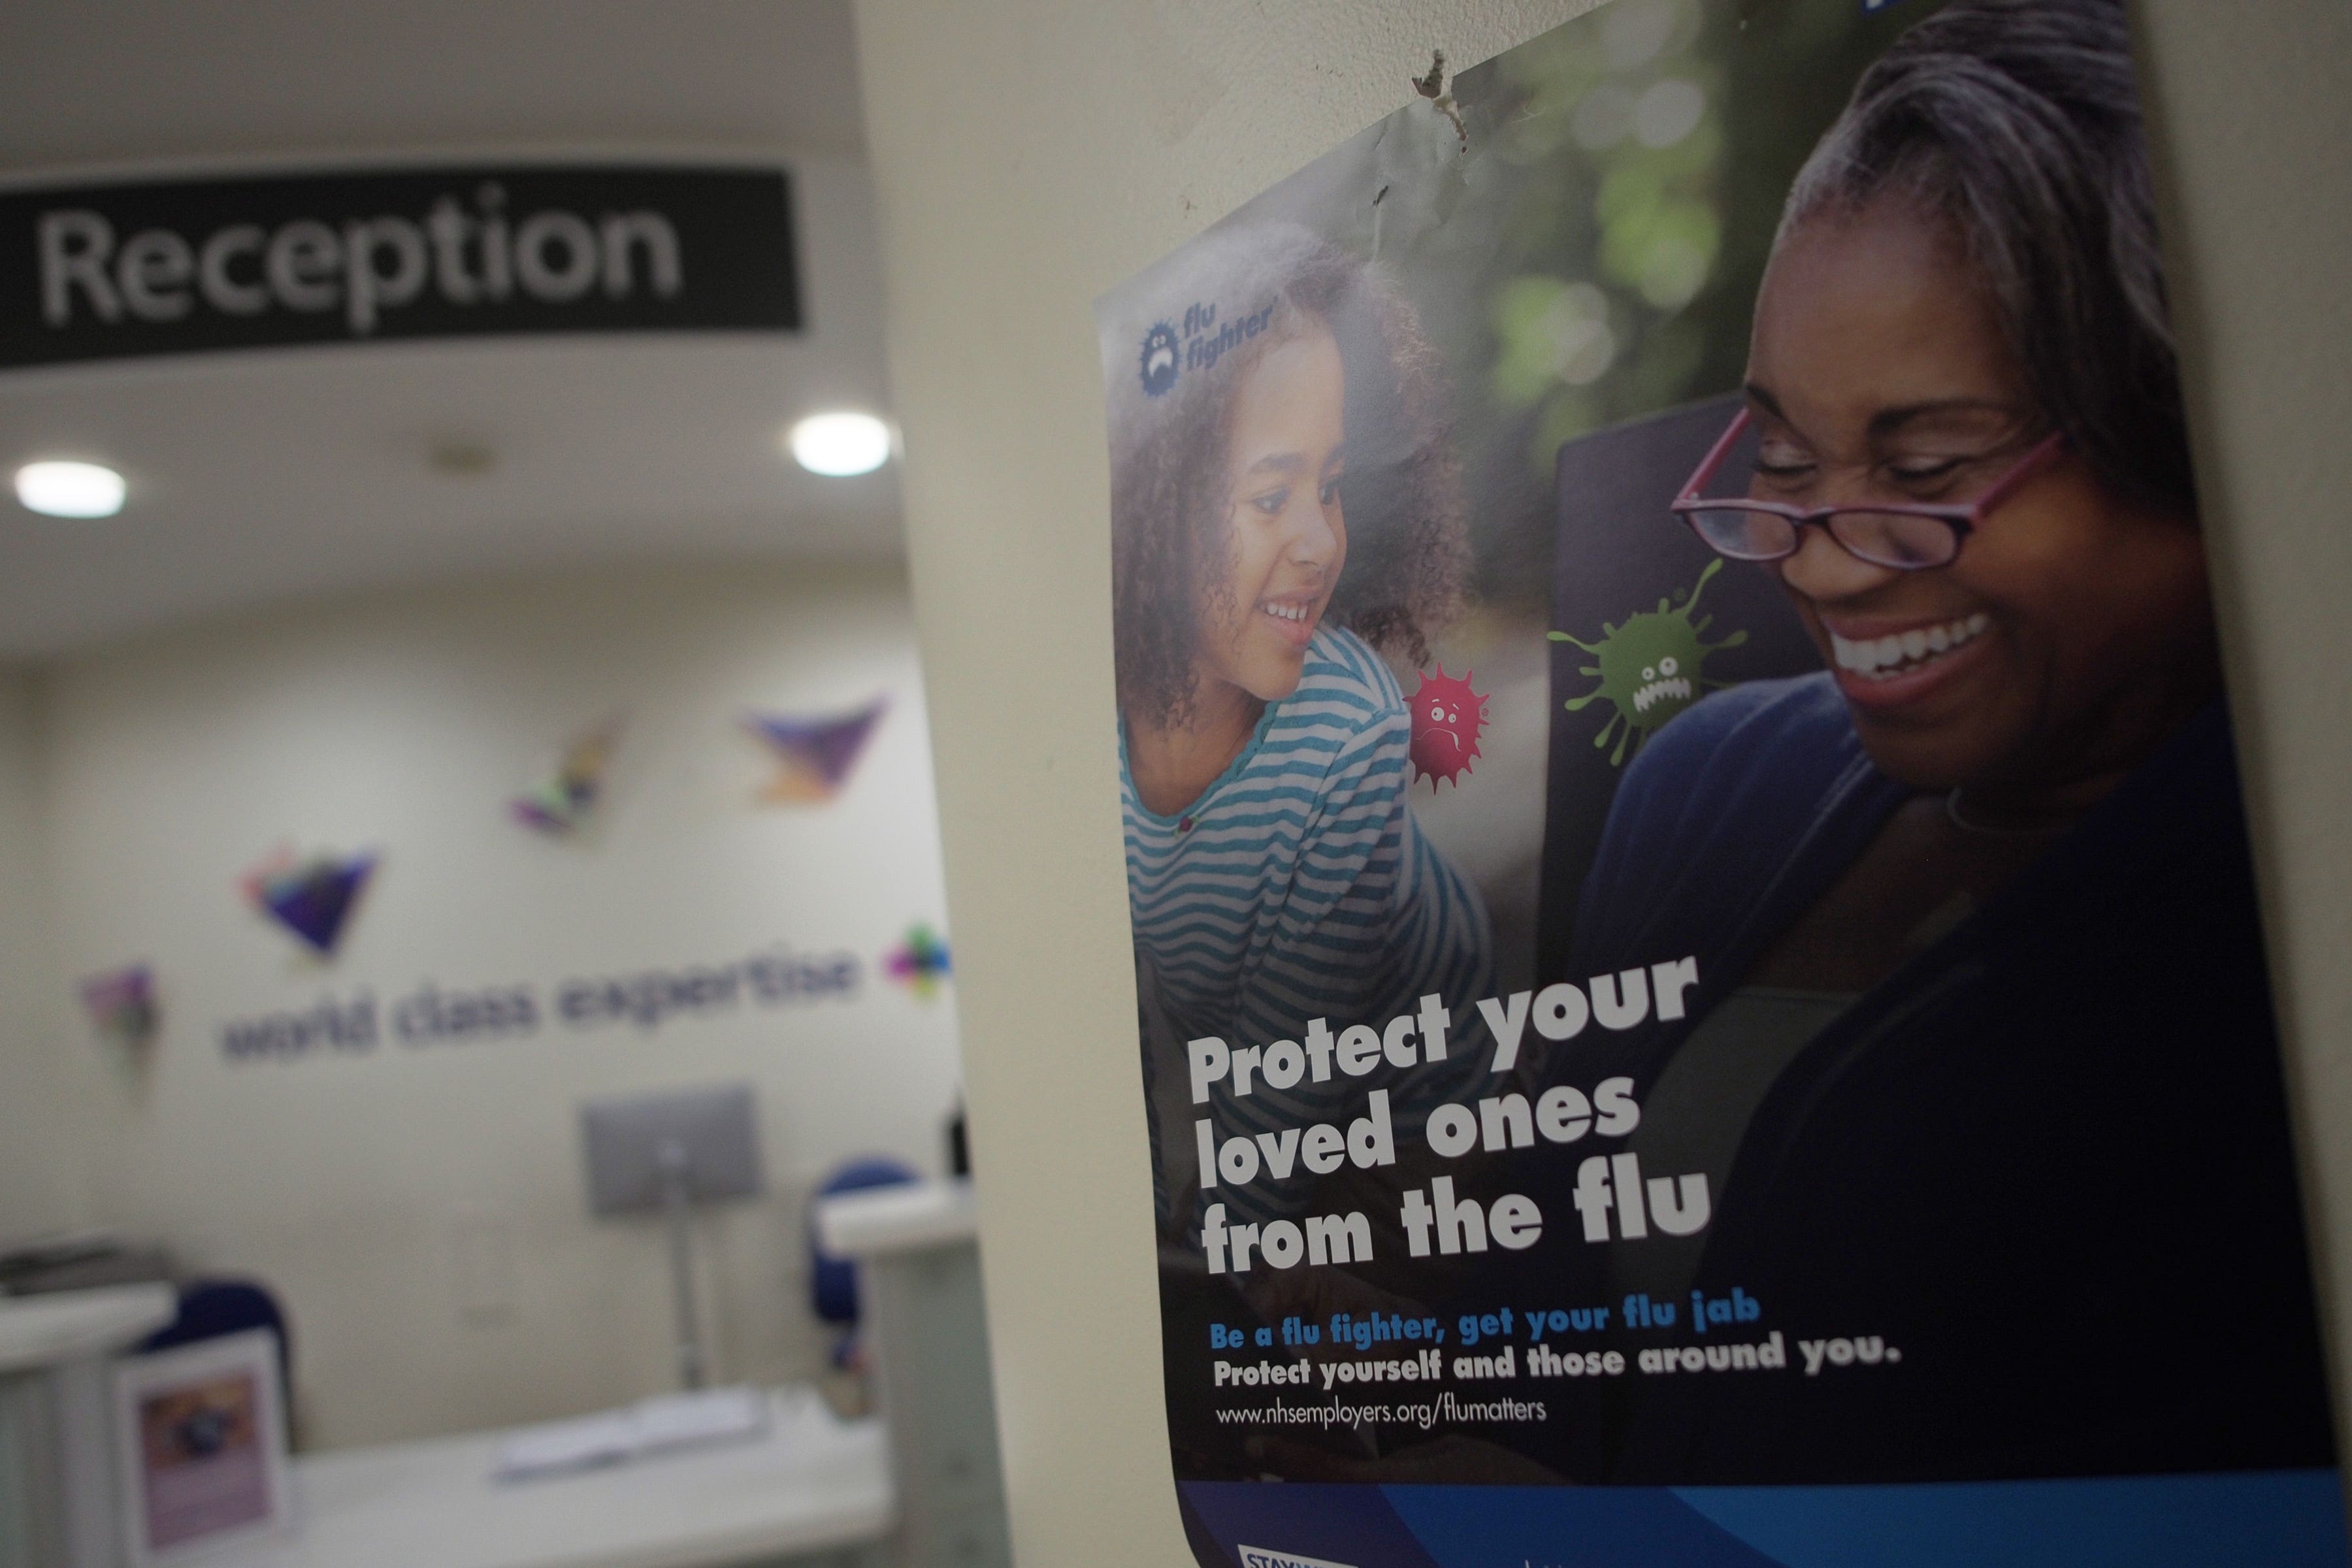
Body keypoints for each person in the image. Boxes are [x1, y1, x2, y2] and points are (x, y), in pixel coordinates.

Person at [1559, 0, 2334, 1483]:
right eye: (1782, 460)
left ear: (2179, 436)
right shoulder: (1702, 787)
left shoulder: (2255, 909)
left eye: (1924, 467)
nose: (1828, 562)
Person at [1104, 223, 1494, 1244]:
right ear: (1151, 515)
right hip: (1280, 1120)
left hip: (1426, 1120)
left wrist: (1209, 1266)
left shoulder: (1350, 732)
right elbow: (1121, 1047)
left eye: (1330, 487)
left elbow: (1289, 1079)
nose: (1321, 541)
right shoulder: (1094, 730)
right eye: (1273, 496)